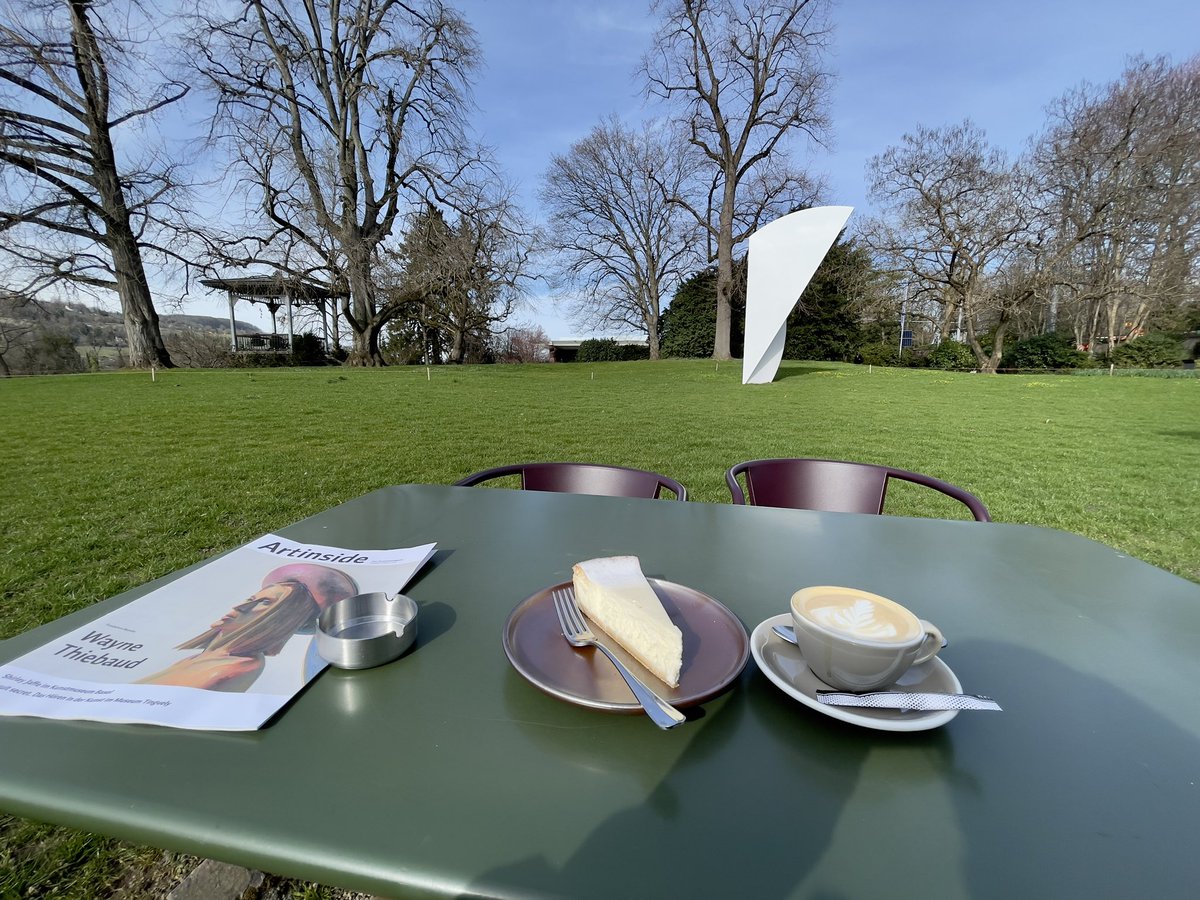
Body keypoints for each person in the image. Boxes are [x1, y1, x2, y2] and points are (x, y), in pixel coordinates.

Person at [138, 564, 357, 692]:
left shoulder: (233, 669)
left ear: (284, 619)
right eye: (251, 598)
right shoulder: (208, 659)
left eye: (263, 604)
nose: (241, 606)